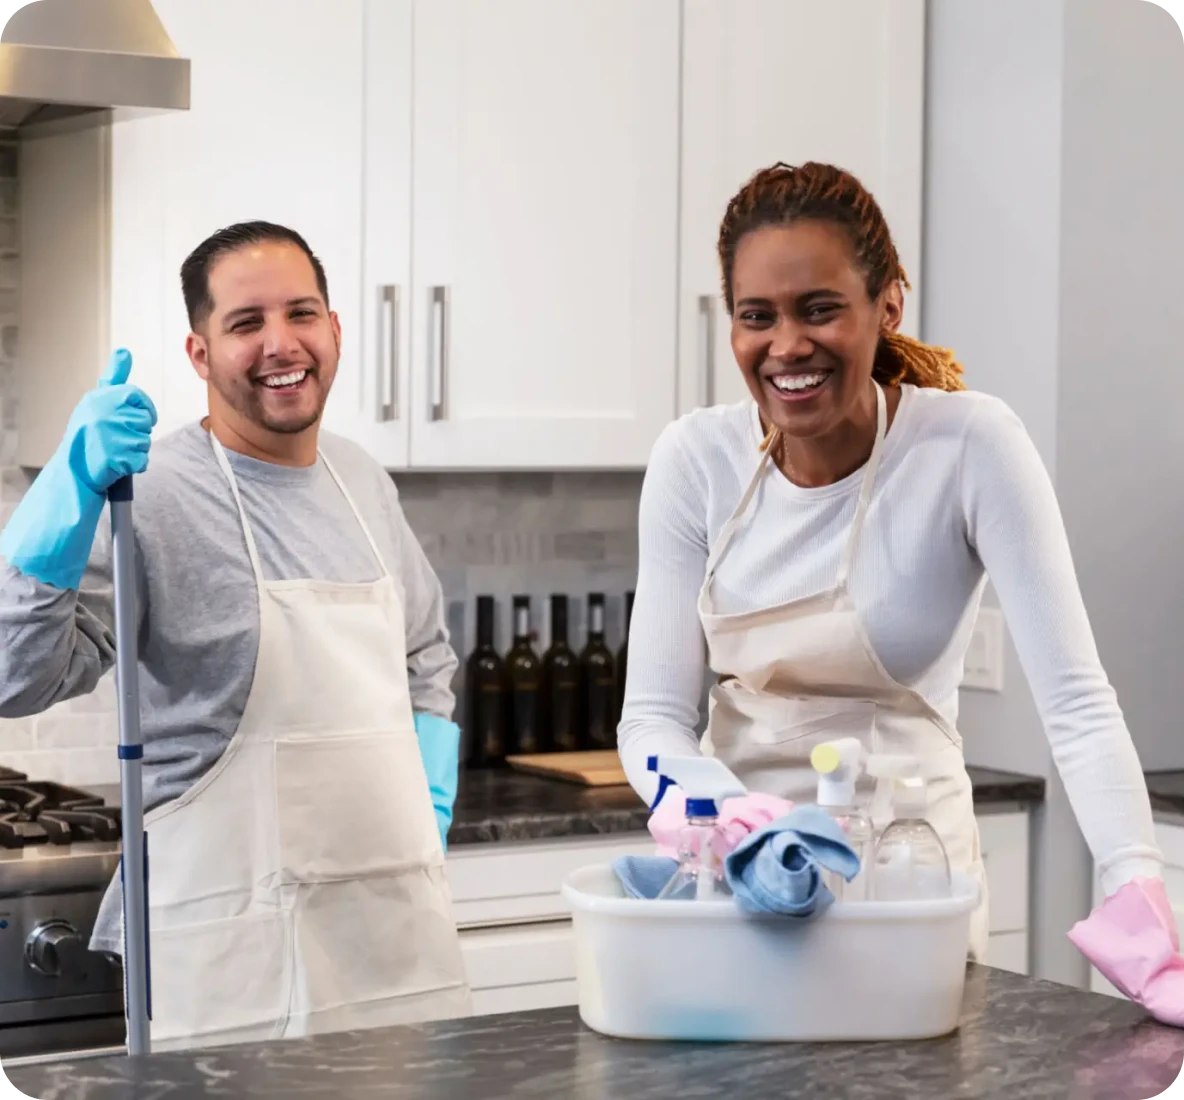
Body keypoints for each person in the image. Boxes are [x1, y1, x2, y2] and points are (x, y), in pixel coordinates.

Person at [617, 162, 1162, 961]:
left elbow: (1077, 706)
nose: (786, 345)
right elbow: (654, 718)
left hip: (912, 888)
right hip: (740, 888)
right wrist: (730, 817)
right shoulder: (695, 459)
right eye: (756, 315)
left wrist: (1135, 882)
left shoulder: (969, 448)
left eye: (820, 309)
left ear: (889, 305)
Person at [0, 221, 471, 1050]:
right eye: (246, 323)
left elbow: (425, 654)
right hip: (229, 948)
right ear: (199, 353)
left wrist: (428, 793)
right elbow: (16, 682)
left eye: (302, 313)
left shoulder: (361, 480)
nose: (280, 343)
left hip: (387, 933)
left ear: (335, 329)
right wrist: (61, 510)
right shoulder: (148, 494)